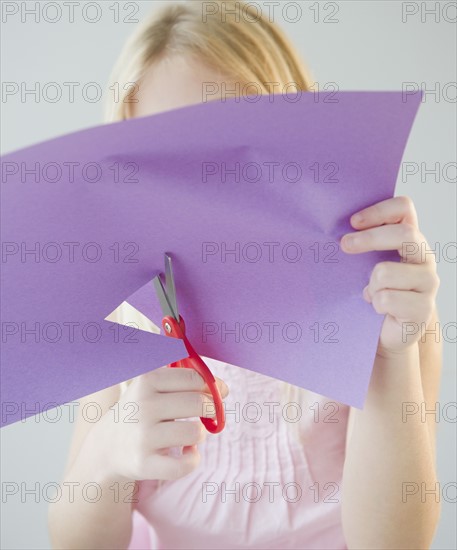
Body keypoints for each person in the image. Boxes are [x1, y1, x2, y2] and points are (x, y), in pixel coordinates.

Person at [48, 2, 442, 548]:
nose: (200, 187)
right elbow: (75, 540)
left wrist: (389, 359)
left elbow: (397, 543)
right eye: (161, 157)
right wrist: (108, 457)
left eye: (230, 152)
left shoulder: (381, 301)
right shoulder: (130, 309)